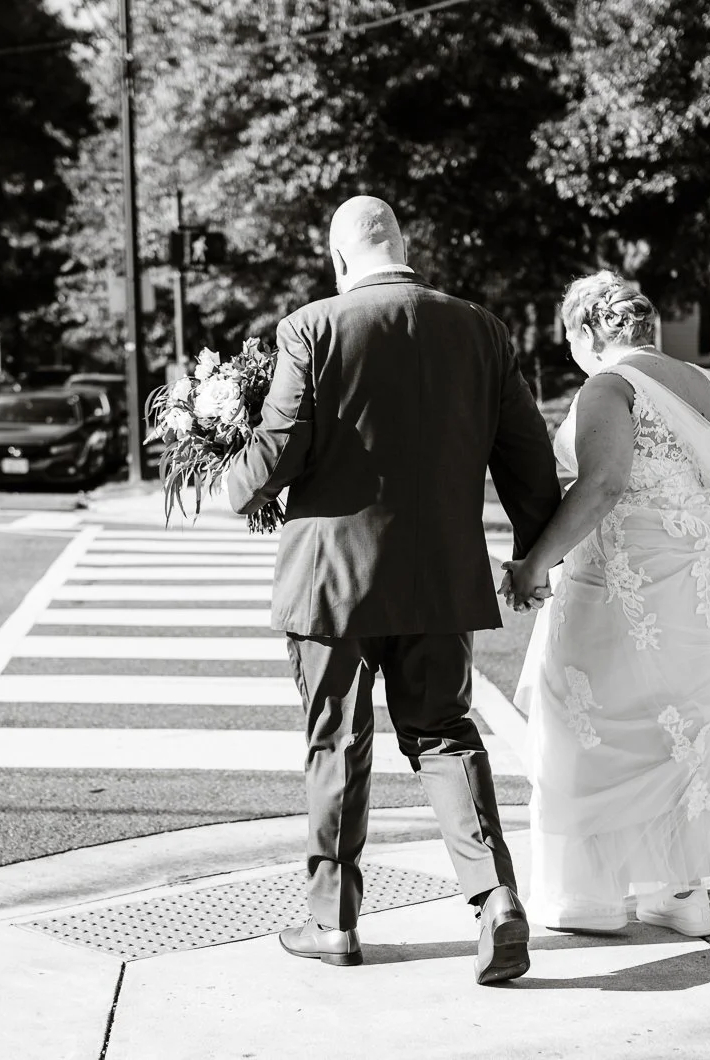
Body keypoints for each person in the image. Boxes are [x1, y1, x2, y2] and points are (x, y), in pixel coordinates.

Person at [227, 195, 561, 984]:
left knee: (337, 745)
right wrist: (531, 554)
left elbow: (279, 447)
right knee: (445, 736)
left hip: (330, 585)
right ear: (400, 247)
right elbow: (527, 459)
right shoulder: (481, 328)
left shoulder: (312, 327)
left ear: (339, 259)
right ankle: (494, 901)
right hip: (441, 579)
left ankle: (332, 922)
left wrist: (233, 483)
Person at [501, 271, 710, 937]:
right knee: (680, 738)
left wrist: (534, 561)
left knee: (580, 730)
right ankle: (681, 895)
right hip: (700, 601)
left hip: (619, 592)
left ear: (589, 331)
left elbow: (601, 487)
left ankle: (586, 899)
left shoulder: (609, 387)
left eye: (569, 339)